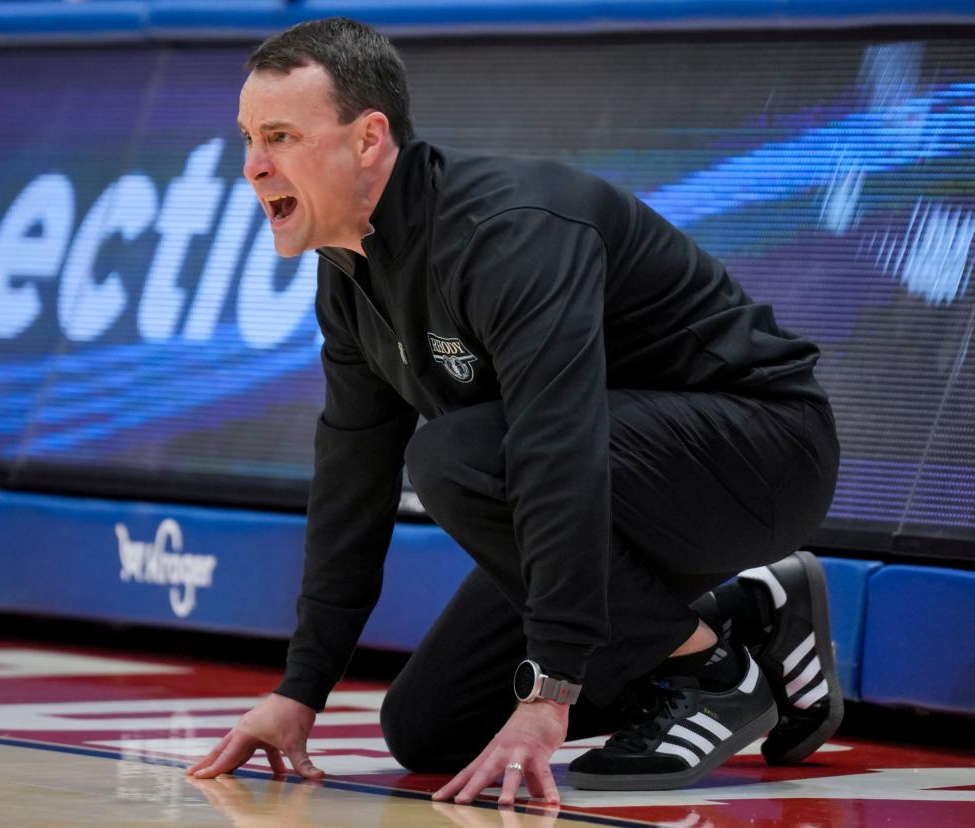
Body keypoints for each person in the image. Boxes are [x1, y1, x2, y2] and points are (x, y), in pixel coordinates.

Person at [187, 17, 842, 803]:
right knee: (428, 728)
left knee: (457, 458)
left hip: (764, 450)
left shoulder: (505, 233)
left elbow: (554, 452)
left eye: (282, 136)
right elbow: (349, 491)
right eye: (249, 139)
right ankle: (747, 614)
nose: (255, 167)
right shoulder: (348, 277)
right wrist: (301, 693)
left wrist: (550, 693)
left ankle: (709, 668)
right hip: (620, 483)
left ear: (367, 140)